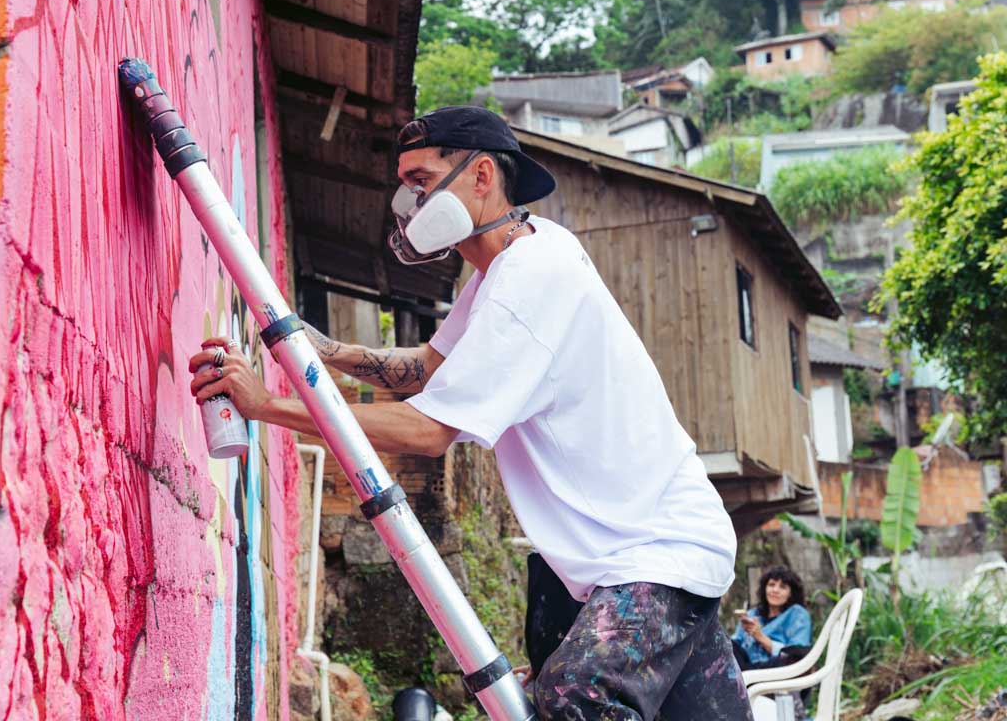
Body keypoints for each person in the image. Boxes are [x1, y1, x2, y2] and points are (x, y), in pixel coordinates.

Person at [189, 106, 751, 720]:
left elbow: (429, 429)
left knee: (575, 695)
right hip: (627, 554)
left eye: (422, 182)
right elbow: (429, 368)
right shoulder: (517, 258)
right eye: (405, 186)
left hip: (656, 550)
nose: (409, 203)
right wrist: (323, 349)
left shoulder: (529, 280)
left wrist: (268, 406)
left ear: (481, 176)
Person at [731, 565, 813, 671]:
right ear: (765, 588)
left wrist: (760, 637)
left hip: (777, 670)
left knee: (791, 657)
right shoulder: (752, 614)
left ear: (791, 593)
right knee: (726, 644)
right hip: (746, 666)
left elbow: (796, 655)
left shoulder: (797, 613)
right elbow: (733, 646)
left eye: (782, 587)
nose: (775, 590)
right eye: (771, 585)